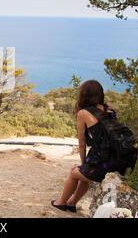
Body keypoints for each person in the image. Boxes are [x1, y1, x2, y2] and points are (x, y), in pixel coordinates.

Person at [51, 80, 116, 213]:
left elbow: (82, 143)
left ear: (84, 95)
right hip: (114, 159)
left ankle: (61, 202)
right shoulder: (109, 110)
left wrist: (82, 164)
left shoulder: (83, 113)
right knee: (83, 174)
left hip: (102, 162)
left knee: (74, 173)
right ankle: (72, 203)